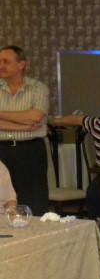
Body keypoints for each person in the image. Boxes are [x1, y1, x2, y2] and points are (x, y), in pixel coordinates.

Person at [0, 45, 50, 215]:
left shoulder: (38, 88)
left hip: (30, 150)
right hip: (1, 150)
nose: (1, 66)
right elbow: (28, 120)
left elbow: (35, 117)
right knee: (4, 200)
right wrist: (23, 126)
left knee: (33, 200)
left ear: (21, 65)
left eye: (6, 62)